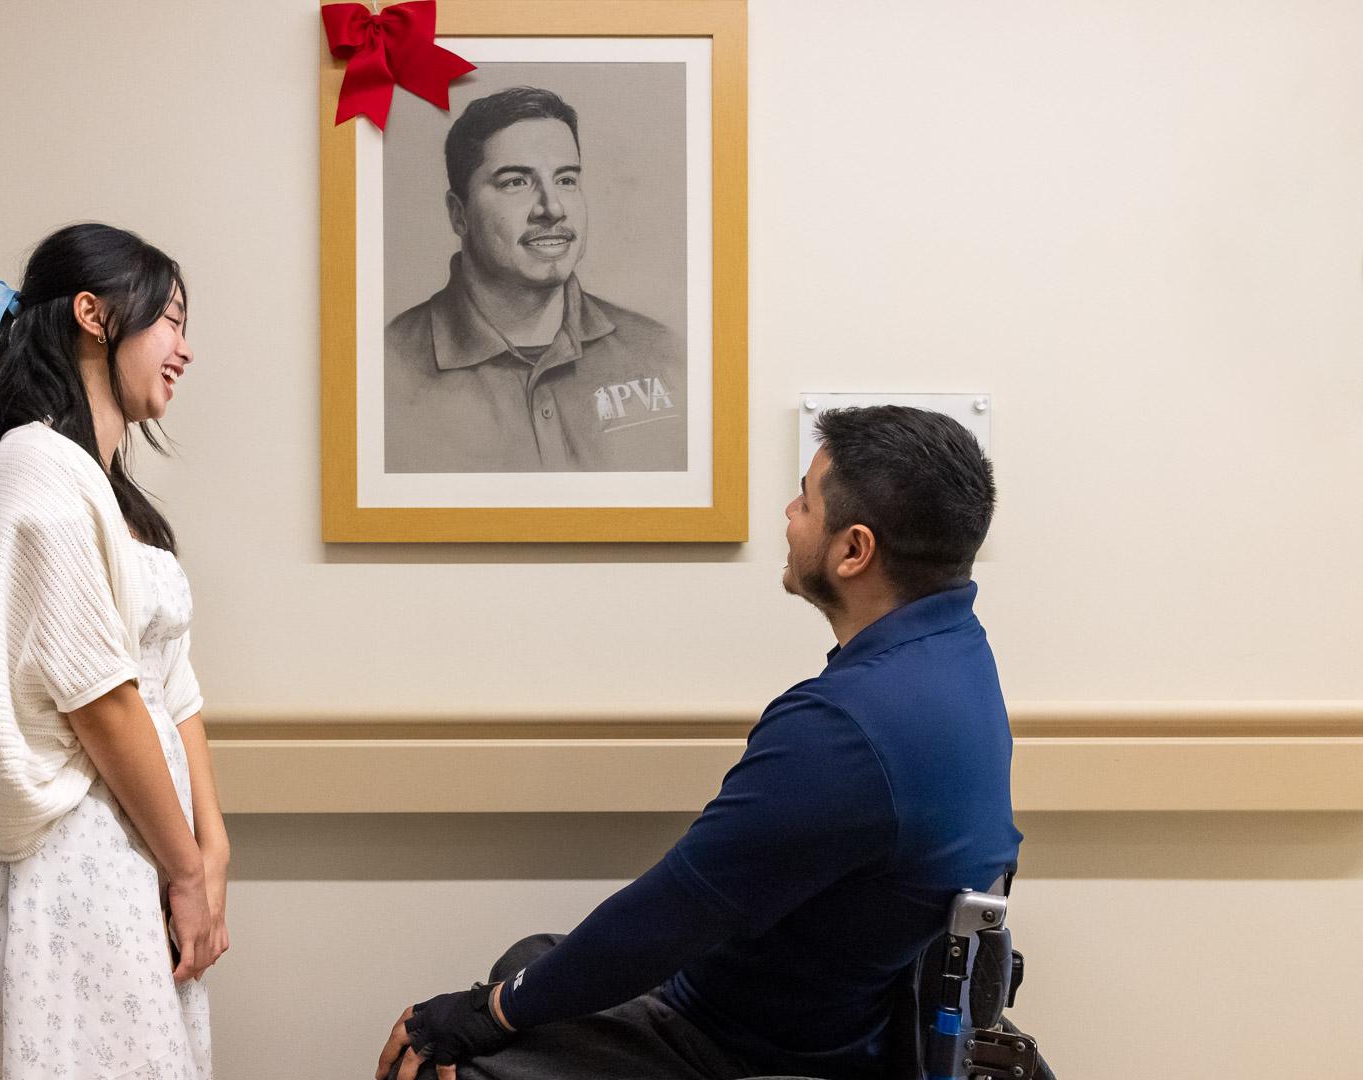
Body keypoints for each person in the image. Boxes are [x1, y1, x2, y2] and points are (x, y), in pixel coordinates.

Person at [378, 406, 1023, 1080]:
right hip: (842, 1016)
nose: (788, 513)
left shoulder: (846, 728)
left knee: (438, 1058)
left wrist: (487, 1014)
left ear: (853, 550)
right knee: (528, 962)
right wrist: (511, 998)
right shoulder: (959, 659)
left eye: (805, 500)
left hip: (752, 1044)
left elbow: (669, 916)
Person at [0, 223, 228, 1080]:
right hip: (68, 864)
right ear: (94, 315)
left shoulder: (108, 494)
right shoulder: (35, 468)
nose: (185, 350)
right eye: (171, 322)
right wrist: (185, 870)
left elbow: (172, 688)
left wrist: (211, 849)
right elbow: (101, 698)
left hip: (136, 850)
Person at [385, 86, 686, 474]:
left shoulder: (662, 354)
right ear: (458, 214)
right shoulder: (389, 370)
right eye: (515, 182)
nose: (553, 208)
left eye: (565, 179)